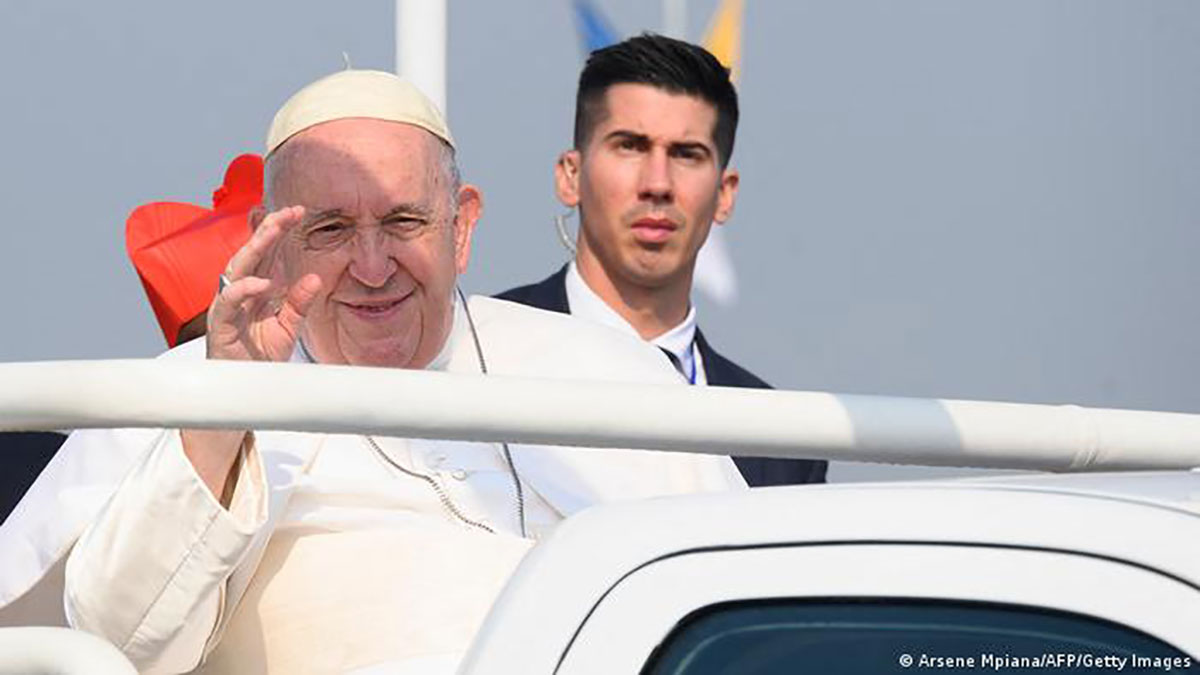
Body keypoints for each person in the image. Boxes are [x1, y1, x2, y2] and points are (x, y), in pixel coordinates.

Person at [0, 69, 743, 673]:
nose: (372, 265)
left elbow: (744, 610)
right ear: (271, 239)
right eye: (329, 229)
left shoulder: (605, 372)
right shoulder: (208, 380)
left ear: (463, 224)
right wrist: (222, 413)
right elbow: (119, 642)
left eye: (402, 222)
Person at [498, 34, 826, 487]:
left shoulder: (782, 439)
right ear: (571, 176)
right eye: (630, 146)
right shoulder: (475, 356)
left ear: (724, 194)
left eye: (686, 155)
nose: (658, 183)